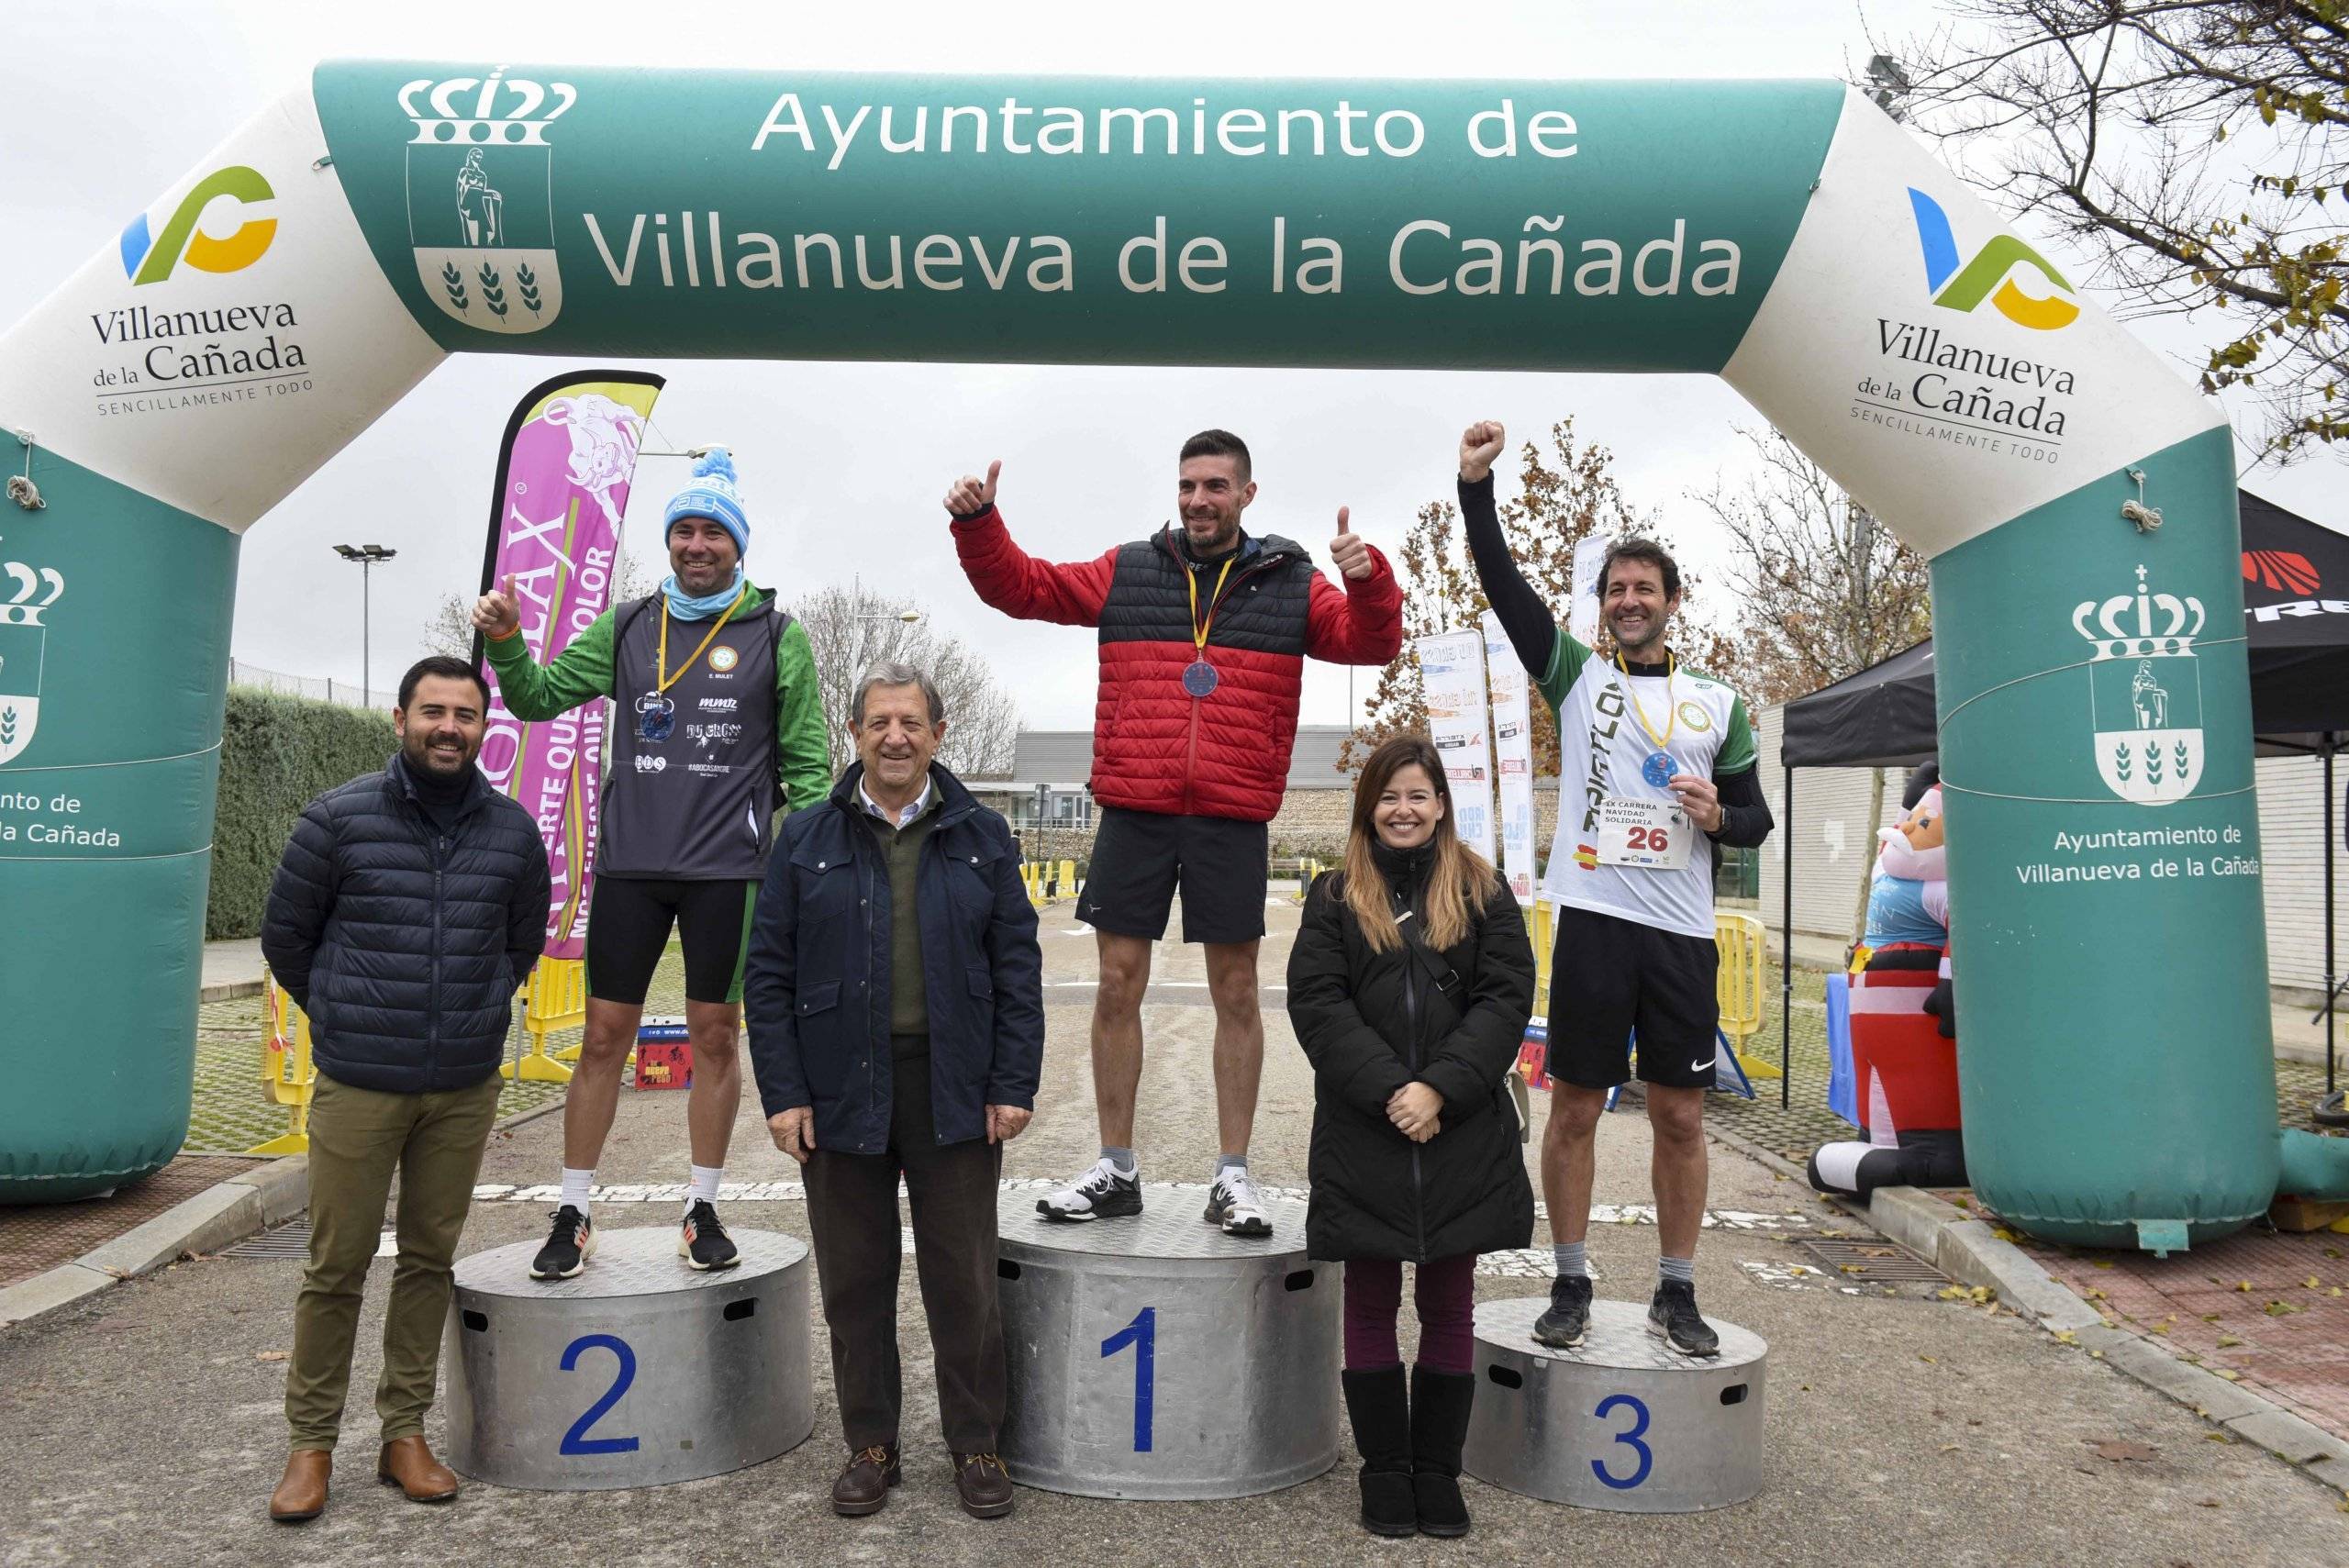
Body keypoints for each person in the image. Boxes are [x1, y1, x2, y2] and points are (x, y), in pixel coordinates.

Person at [945, 430, 1402, 1237]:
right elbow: (1024, 589)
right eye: (1189, 485)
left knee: (1236, 991)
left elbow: (1373, 642)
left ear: (1247, 495)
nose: (1199, 500)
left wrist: (1367, 581)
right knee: (1117, 983)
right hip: (1136, 803)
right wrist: (981, 526)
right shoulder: (1130, 568)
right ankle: (1116, 1166)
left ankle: (1233, 1174)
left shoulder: (1291, 580)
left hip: (1230, 809)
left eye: (1216, 486)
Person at [1456, 420, 1775, 1358]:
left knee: (1679, 1113)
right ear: (1600, 606)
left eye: (1645, 587)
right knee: (1577, 1107)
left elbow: (1756, 819)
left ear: (1673, 602)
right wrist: (1476, 490)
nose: (1630, 599)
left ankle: (1676, 1291)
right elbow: (1503, 585)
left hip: (1680, 934)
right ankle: (1569, 1275)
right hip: (1595, 919)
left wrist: (1719, 814)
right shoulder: (1576, 676)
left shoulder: (1719, 700)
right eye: (1616, 588)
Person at [473, 448, 830, 1280]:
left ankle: (702, 1204)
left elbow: (808, 770)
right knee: (603, 1036)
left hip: (729, 872)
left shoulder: (778, 633)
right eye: (684, 531)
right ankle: (572, 1208)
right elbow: (534, 698)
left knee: (715, 1036)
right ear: (669, 542)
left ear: (738, 545)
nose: (697, 544)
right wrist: (506, 641)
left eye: (713, 532)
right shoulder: (630, 624)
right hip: (632, 865)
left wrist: (812, 868)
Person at [744, 661, 1043, 1520]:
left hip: (954, 1090)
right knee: (855, 1282)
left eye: (911, 722)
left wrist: (1011, 1081)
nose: (896, 737)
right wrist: (784, 1093)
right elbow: (768, 976)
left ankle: (977, 1442)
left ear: (938, 734)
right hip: (839, 1093)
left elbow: (1015, 966)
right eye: (879, 722)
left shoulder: (984, 834)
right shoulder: (805, 838)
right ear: (857, 733)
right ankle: (870, 1443)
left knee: (964, 1281)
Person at [258, 656, 551, 1522]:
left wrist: (477, 1005)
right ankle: (310, 1446)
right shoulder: (337, 819)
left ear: (484, 725)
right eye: (433, 711)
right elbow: (287, 938)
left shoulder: (512, 830)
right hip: (359, 1083)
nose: (448, 727)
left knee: (428, 1261)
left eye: (465, 713)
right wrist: (349, 1017)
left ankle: (403, 1432)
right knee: (336, 1266)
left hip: (462, 1088)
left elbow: (521, 940)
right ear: (400, 719)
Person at [1287, 737, 1536, 1539]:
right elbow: (1318, 1004)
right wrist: (1395, 1090)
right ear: (1370, 804)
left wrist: (1441, 1089)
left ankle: (1438, 1469)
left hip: (1459, 1128)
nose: (1404, 809)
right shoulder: (1332, 896)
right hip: (1368, 1129)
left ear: (1441, 804)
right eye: (1390, 795)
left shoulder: (1485, 891)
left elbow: (1506, 998)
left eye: (1419, 794)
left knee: (1449, 1303)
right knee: (1368, 1299)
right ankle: (1385, 1469)